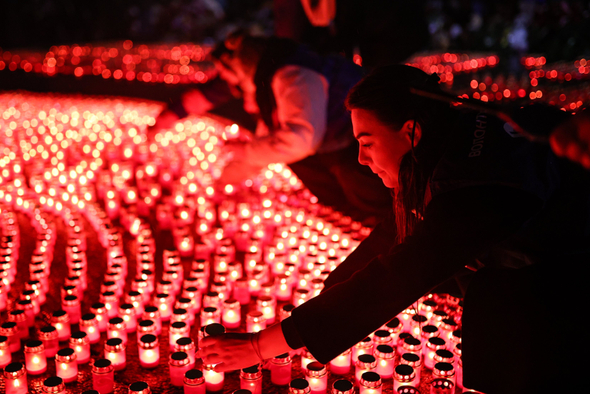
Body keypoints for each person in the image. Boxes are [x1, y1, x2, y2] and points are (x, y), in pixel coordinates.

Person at [197, 65, 590, 394]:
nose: (361, 159)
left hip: (565, 293)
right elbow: (394, 235)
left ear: (411, 132)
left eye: (367, 142)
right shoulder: (449, 141)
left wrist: (257, 345)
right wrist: (324, 302)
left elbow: (406, 270)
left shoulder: (478, 181)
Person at [154, 32, 393, 222]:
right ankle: (355, 214)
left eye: (228, 74)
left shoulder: (292, 76)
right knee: (289, 156)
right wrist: (223, 182)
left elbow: (300, 139)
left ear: (241, 67)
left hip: (354, 139)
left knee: (356, 180)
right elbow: (267, 139)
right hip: (335, 137)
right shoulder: (267, 79)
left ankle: (380, 221)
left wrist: (245, 152)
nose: (228, 82)